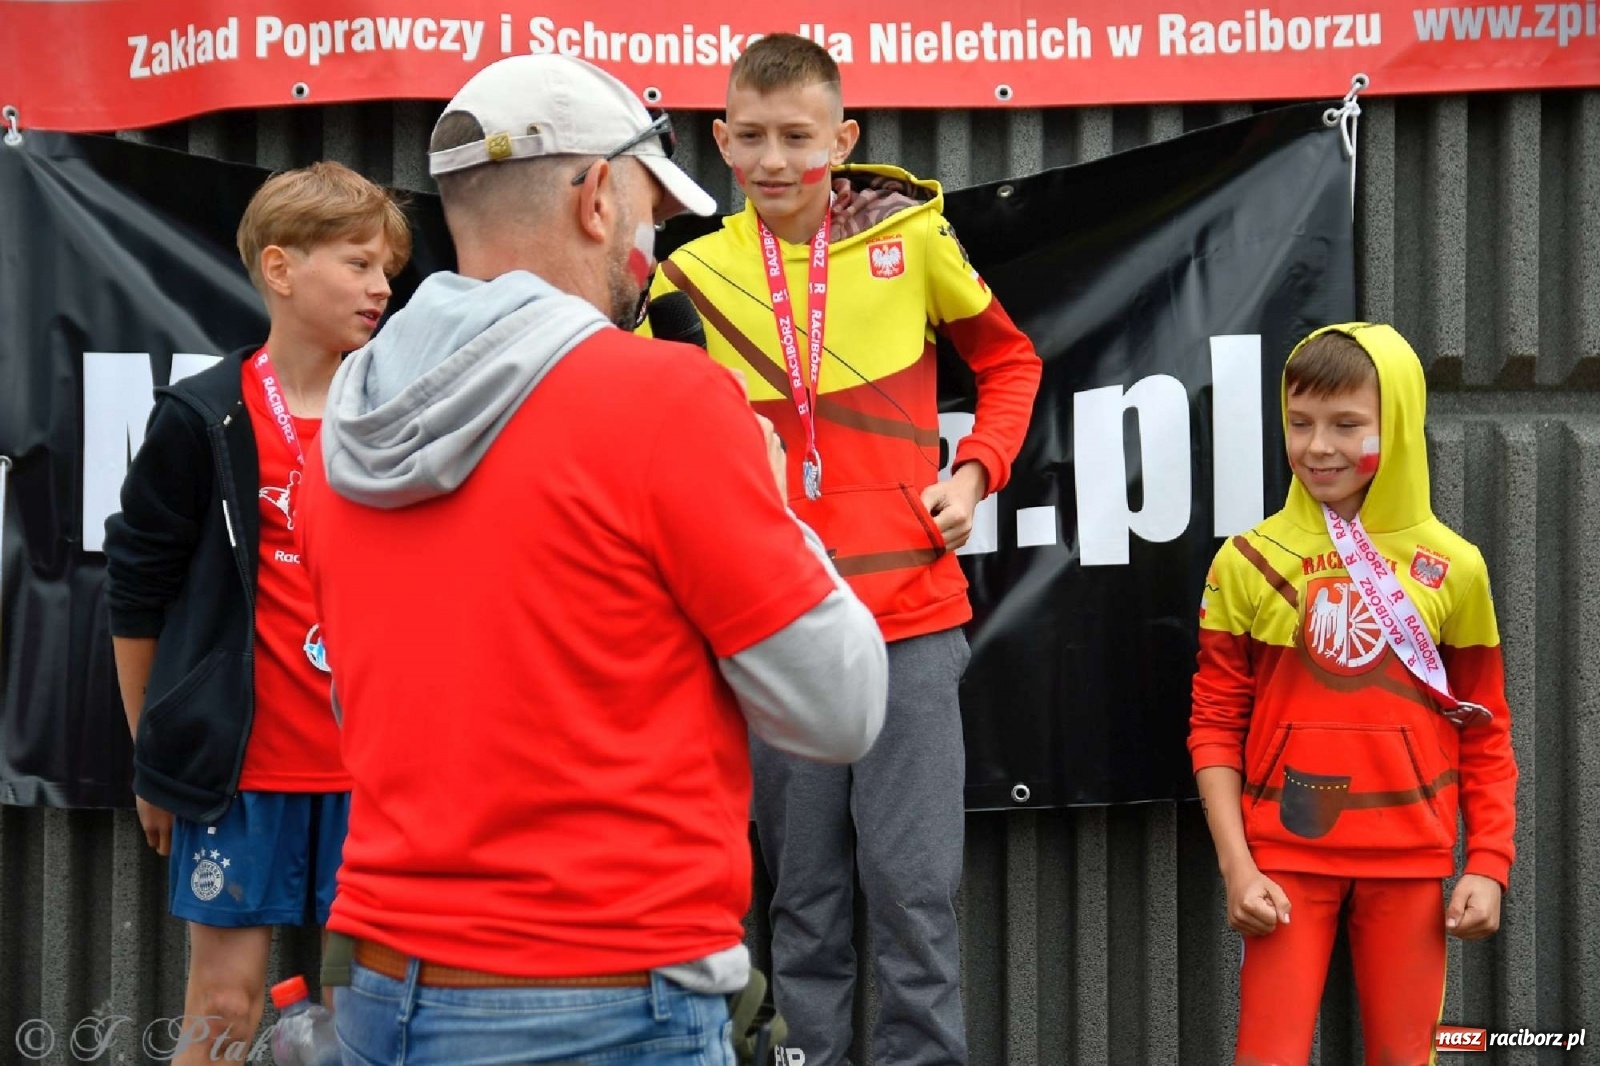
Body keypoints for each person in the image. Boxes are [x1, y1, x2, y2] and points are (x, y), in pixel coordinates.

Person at [293, 54, 888, 1066]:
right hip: (606, 1002)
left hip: (378, 994)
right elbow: (841, 707)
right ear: (599, 196)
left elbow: (367, 711)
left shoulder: (343, 433)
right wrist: (773, 500)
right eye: (651, 212)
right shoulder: (667, 399)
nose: (651, 250)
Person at [647, 33, 1042, 1066]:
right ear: (720, 140)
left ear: (842, 137)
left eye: (797, 137)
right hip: (771, 628)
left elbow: (1010, 362)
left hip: (911, 619)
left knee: (916, 898)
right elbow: (639, 435)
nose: (774, 160)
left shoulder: (911, 239)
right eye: (752, 137)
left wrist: (975, 472)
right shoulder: (684, 276)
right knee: (803, 902)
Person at [103, 161, 411, 1063]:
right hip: (242, 777)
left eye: (386, 268)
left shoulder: (399, 410)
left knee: (369, 1015)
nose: (382, 287)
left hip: (374, 777)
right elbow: (136, 589)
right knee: (226, 1006)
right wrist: (158, 755)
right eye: (358, 264)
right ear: (281, 269)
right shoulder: (202, 415)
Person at [1189, 323, 1519, 1064]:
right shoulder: (1247, 560)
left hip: (1412, 860)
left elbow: (1485, 727)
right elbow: (1213, 724)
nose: (1318, 447)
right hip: (1284, 859)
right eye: (1299, 423)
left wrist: (1488, 861)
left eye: (1346, 425)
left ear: (1395, 423)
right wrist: (1238, 866)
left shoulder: (1454, 566)